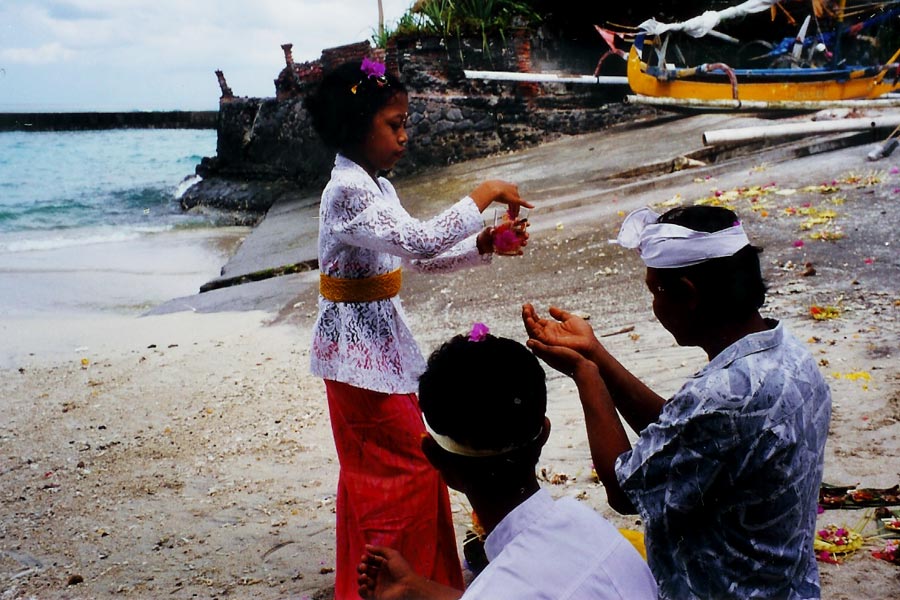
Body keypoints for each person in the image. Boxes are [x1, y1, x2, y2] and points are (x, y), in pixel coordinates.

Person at [304, 57, 532, 599]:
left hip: (373, 350)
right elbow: (426, 242)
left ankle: (398, 583)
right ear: (356, 126)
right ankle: (393, 586)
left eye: (405, 123)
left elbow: (421, 258)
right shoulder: (348, 190)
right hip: (358, 361)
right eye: (394, 124)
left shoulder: (375, 187)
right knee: (405, 472)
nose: (405, 136)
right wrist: (487, 190)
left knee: (387, 472)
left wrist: (483, 245)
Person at [523, 205, 832, 599]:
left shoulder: (722, 397)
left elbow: (624, 490)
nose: (654, 307)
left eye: (656, 291)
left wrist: (586, 375)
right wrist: (596, 353)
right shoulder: (788, 354)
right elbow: (682, 433)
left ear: (688, 294)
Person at [357, 329, 658, 600]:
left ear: (435, 458)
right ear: (544, 434)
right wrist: (413, 588)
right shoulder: (585, 523)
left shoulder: (499, 587)